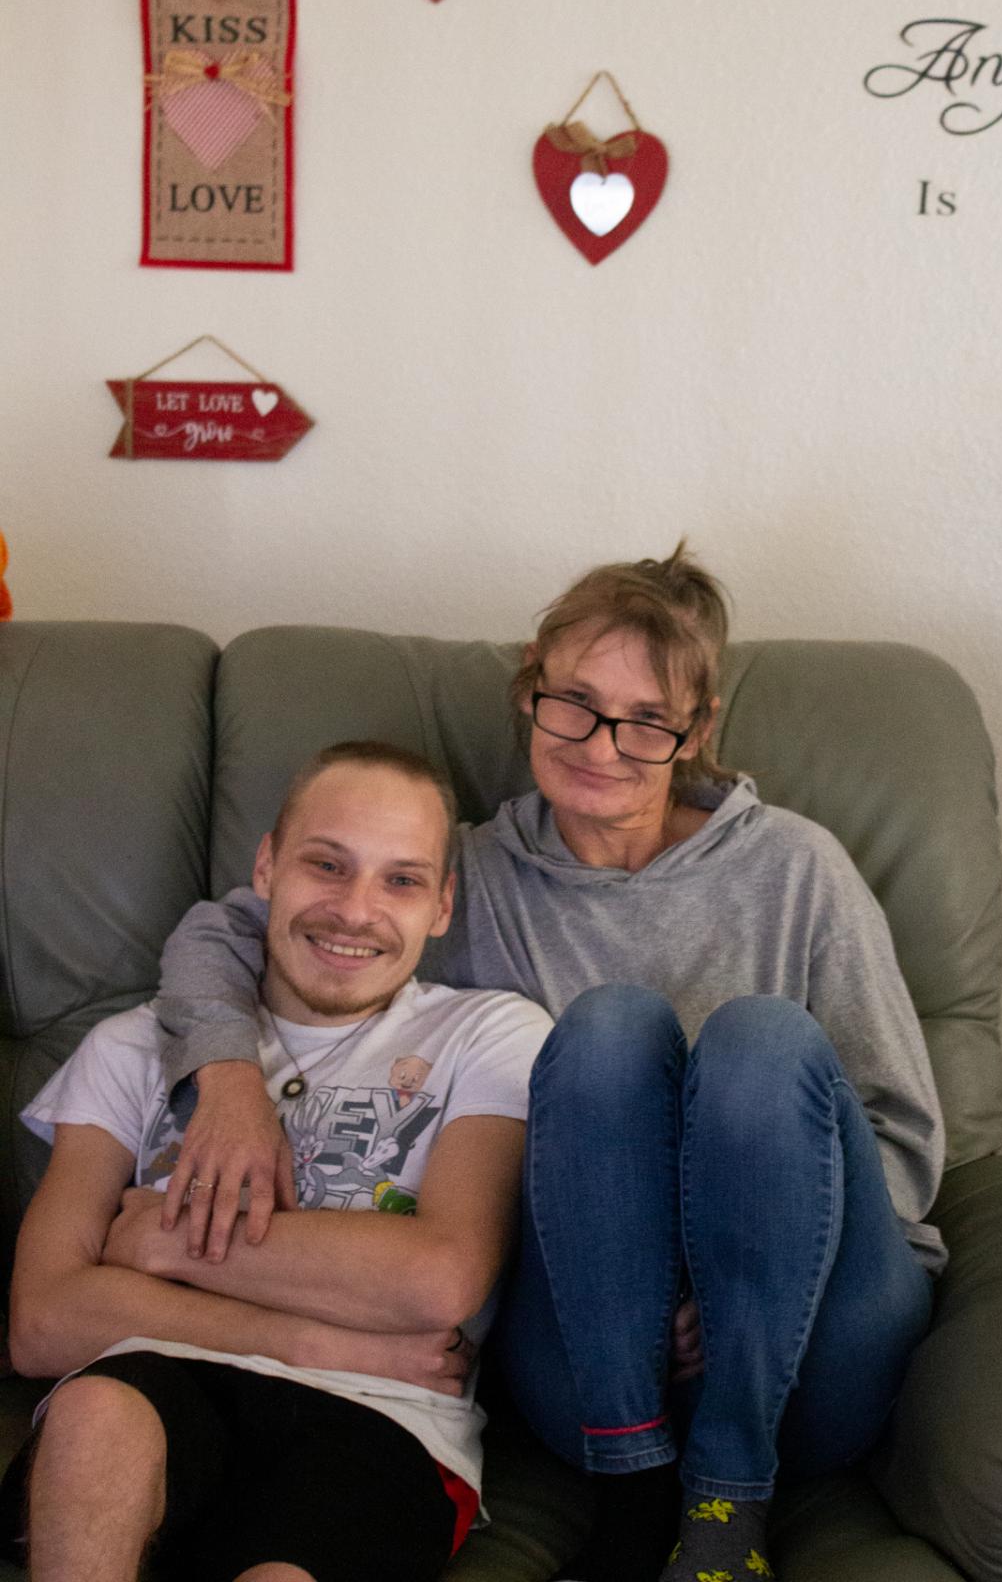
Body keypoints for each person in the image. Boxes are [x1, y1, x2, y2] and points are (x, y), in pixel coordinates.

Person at [155, 546, 946, 1582]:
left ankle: (728, 1499)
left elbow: (901, 1138)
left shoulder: (795, 867)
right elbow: (225, 934)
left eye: (644, 719)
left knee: (760, 1038)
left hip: (811, 1343)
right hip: (591, 1347)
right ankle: (632, 1497)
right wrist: (226, 1082)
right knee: (606, 1030)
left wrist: (743, 1272)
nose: (602, 746)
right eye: (572, 701)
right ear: (528, 688)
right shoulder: (465, 877)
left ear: (695, 730)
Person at [4, 741, 551, 1582]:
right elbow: (41, 1321)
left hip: (383, 1422)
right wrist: (325, 1338)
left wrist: (164, 1244)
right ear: (266, 867)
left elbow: (438, 1280)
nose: (355, 911)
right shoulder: (131, 1046)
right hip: (153, 1389)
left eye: (401, 880)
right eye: (326, 865)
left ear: (443, 905)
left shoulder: (489, 1037)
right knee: (91, 1414)